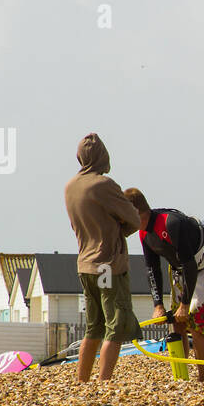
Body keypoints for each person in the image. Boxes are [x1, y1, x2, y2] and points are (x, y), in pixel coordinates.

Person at [123, 188, 204, 382]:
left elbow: (190, 265)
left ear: (136, 212)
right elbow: (152, 269)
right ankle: (182, 378)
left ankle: (202, 380)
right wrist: (158, 305)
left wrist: (185, 305)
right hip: (181, 270)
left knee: (198, 325)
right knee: (177, 324)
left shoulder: (171, 223)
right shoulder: (144, 233)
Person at [64, 133, 142, 381]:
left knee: (94, 326)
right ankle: (104, 381)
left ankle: (82, 380)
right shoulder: (104, 185)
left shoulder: (70, 187)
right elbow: (135, 219)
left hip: (84, 264)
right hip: (107, 266)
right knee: (116, 325)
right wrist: (120, 231)